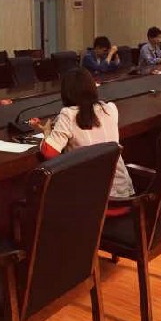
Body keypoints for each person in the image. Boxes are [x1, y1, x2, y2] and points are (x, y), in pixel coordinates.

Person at [32, 68, 134, 214]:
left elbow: (49, 153)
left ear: (65, 93)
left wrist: (47, 133)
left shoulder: (68, 114)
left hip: (92, 206)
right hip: (123, 198)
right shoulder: (110, 109)